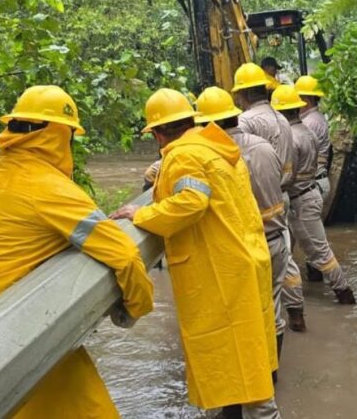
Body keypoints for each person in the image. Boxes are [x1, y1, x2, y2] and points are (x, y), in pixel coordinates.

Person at [0, 85, 155, 419]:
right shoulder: (48, 186)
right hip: (12, 336)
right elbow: (122, 253)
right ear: (59, 136)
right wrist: (135, 307)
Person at [110, 88, 281, 419]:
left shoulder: (183, 156)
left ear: (158, 134)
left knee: (247, 379)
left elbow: (191, 201)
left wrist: (141, 213)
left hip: (223, 275)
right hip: (243, 261)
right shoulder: (216, 149)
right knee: (247, 363)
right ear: (191, 121)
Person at [196, 86, 306, 341]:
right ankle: (290, 329)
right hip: (276, 237)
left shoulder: (210, 155)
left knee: (244, 316)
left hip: (243, 246)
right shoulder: (264, 146)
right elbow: (282, 178)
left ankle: (261, 365)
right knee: (272, 309)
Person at [232, 63, 307, 328]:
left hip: (260, 199)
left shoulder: (246, 122)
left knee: (261, 261)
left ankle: (265, 325)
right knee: (283, 255)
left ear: (241, 94)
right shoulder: (282, 118)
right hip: (281, 195)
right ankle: (296, 312)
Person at [271, 85, 357, 305]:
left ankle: (344, 293)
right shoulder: (306, 131)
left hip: (301, 200)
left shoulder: (291, 137)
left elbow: (287, 176)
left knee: (320, 252)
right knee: (290, 251)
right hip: (309, 192)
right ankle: (298, 290)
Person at [295, 75, 331, 202]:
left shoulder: (310, 122)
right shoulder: (314, 118)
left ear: (306, 100)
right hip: (316, 181)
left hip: (314, 183)